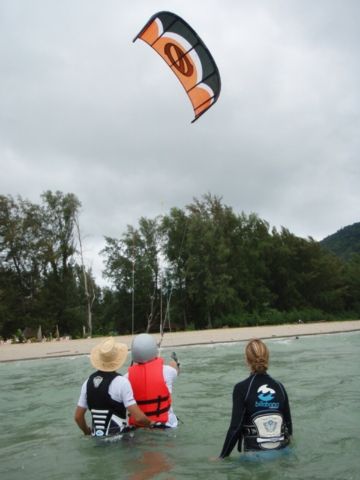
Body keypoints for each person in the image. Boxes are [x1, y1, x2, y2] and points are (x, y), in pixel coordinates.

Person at [219, 338, 292, 457]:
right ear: (267, 358)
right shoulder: (280, 387)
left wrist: (221, 457)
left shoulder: (241, 388)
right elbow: (289, 425)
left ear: (247, 360)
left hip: (255, 456)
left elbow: (235, 428)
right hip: (283, 452)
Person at [74, 337, 153, 438]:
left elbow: (78, 417)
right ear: (117, 360)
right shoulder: (122, 382)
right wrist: (151, 424)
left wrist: (86, 431)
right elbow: (138, 418)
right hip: (119, 437)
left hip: (96, 439)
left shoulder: (87, 383)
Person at [126, 333, 179, 428]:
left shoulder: (126, 378)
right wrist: (176, 362)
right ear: (154, 351)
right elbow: (175, 370)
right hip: (166, 426)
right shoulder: (168, 371)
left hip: (138, 427)